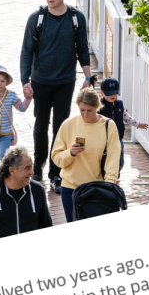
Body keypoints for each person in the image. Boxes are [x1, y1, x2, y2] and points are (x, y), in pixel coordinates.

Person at [20, 0, 92, 192]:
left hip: (65, 82)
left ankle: (55, 172)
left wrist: (87, 78)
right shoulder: (37, 18)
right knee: (40, 126)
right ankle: (38, 167)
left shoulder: (76, 18)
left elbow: (83, 49)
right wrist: (25, 81)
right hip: (40, 81)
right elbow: (26, 51)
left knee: (61, 127)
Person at [51, 88, 120, 223]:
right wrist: (70, 153)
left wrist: (109, 185)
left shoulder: (108, 126)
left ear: (97, 107)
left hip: (96, 190)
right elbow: (57, 158)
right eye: (82, 110)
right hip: (70, 189)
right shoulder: (68, 125)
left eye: (89, 110)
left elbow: (113, 159)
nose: (85, 114)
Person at [0, 146, 52, 244]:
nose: (32, 172)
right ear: (11, 170)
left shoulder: (37, 190)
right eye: (27, 168)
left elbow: (46, 226)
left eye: (31, 167)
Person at [0, 65, 32, 179]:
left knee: (3, 156)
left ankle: (3, 176)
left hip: (6, 133)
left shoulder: (11, 95)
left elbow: (21, 108)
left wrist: (28, 99)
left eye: (2, 81)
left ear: (7, 82)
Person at [97, 77, 148, 176]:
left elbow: (126, 117)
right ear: (102, 93)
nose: (113, 95)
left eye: (115, 93)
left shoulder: (119, 105)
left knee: (119, 157)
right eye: (109, 93)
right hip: (103, 138)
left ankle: (116, 172)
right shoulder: (99, 106)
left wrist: (137, 124)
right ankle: (104, 173)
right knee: (104, 157)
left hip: (118, 138)